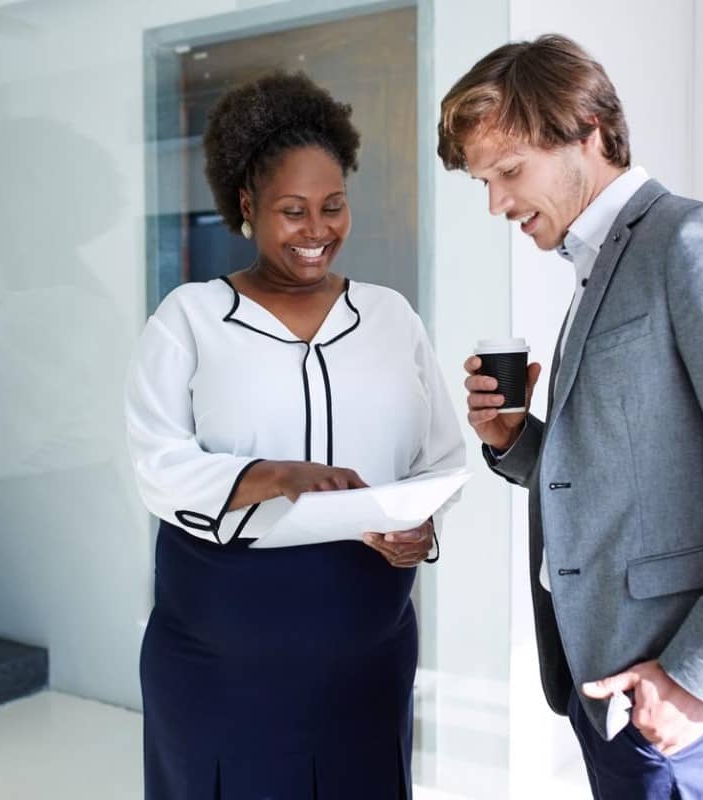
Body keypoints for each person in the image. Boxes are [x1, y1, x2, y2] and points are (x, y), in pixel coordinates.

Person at [440, 35, 703, 798]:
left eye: (508, 171)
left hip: (681, 706)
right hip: (614, 691)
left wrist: (698, 679)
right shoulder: (600, 266)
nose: (496, 203)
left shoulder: (694, 242)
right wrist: (516, 442)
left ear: (587, 131)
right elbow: (633, 471)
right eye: (482, 182)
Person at [125, 72, 465, 799]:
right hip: (223, 648)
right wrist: (273, 476)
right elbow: (157, 464)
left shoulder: (391, 318)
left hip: (367, 638)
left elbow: (440, 455)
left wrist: (418, 527)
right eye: (293, 211)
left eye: (333, 207)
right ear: (246, 207)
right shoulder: (189, 318)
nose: (318, 231)